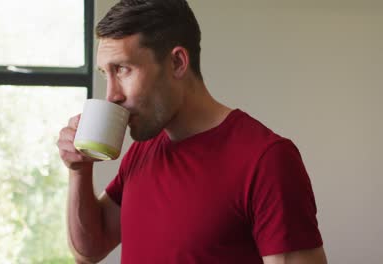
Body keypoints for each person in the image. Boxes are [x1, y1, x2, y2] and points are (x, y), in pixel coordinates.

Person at [56, 0, 327, 263]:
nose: (111, 95)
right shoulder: (144, 149)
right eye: (106, 74)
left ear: (177, 63)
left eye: (123, 69)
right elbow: (89, 251)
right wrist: (79, 170)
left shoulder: (267, 160)